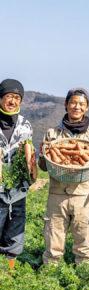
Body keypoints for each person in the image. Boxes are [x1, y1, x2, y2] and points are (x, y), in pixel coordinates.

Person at [38, 88, 89, 264]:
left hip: (83, 195)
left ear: (87, 108)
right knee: (53, 241)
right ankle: (50, 277)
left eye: (81, 104)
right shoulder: (52, 134)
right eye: (73, 103)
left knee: (85, 241)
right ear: (66, 105)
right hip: (57, 194)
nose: (77, 107)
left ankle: (86, 277)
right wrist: (43, 155)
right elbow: (44, 167)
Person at [0, 79, 36, 268]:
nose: (12, 101)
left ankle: (9, 272)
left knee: (15, 228)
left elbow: (29, 153)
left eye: (16, 97)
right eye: (8, 96)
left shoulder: (26, 124)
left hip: (18, 188)